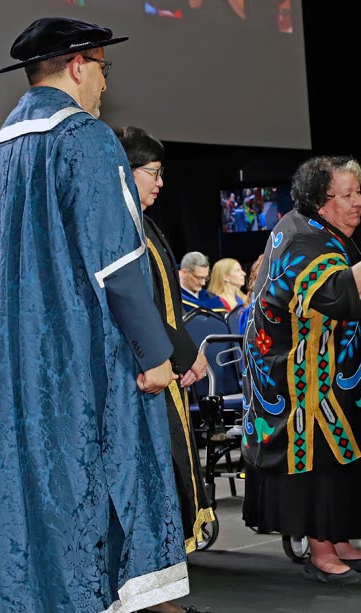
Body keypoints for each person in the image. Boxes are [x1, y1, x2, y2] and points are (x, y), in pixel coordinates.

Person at [0, 17, 188, 612]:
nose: (105, 86)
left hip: (14, 364)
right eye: (103, 69)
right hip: (78, 361)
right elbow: (116, 264)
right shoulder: (85, 139)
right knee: (92, 489)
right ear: (79, 64)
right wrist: (156, 355)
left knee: (26, 491)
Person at [241, 155, 361, 585]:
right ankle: (321, 548)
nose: (359, 201)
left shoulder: (320, 229)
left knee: (343, 452)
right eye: (347, 195)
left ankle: (337, 537)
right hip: (297, 373)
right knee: (316, 456)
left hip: (329, 365)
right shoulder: (305, 239)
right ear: (321, 201)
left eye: (359, 192)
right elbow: (339, 295)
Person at [115, 126, 214, 613]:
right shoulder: (119, 225)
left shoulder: (143, 224)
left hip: (159, 369)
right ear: (125, 172)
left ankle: (158, 594)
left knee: (163, 480)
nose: (159, 184)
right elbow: (140, 305)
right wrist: (181, 352)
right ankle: (147, 598)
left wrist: (186, 351)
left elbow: (166, 304)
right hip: (136, 379)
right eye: (152, 173)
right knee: (147, 485)